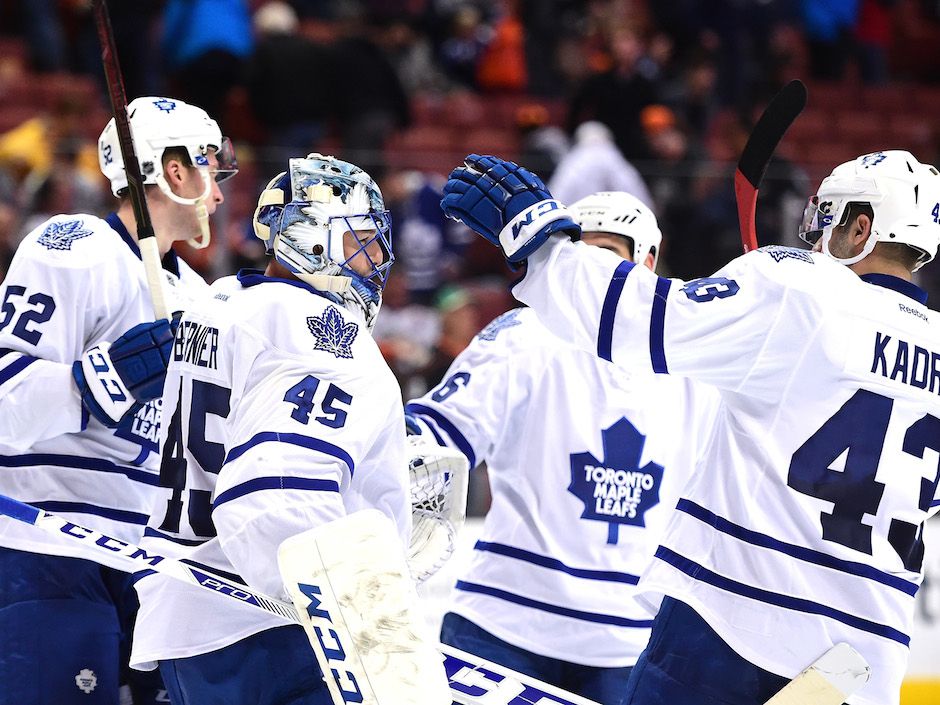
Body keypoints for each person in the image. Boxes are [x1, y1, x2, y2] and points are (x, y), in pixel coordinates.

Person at [440, 150, 940, 705]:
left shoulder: (800, 291)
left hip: (731, 630)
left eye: (827, 221)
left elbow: (640, 319)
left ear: (861, 228)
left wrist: (541, 239)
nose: (815, 239)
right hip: (860, 666)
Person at [406, 192, 718, 704]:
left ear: (649, 261)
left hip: (630, 643)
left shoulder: (697, 360)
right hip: (504, 626)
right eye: (583, 255)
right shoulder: (524, 336)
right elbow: (438, 435)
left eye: (609, 256)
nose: (595, 276)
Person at [130, 154, 411, 705]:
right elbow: (274, 497)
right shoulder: (324, 331)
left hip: (187, 617)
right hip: (277, 625)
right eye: (361, 240)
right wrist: (370, 622)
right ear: (312, 235)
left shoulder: (215, 303)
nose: (377, 259)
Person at [0, 96, 235, 705]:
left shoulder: (200, 299)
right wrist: (106, 379)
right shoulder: (71, 247)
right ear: (175, 172)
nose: (219, 189)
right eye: (210, 164)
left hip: (150, 570)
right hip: (45, 552)